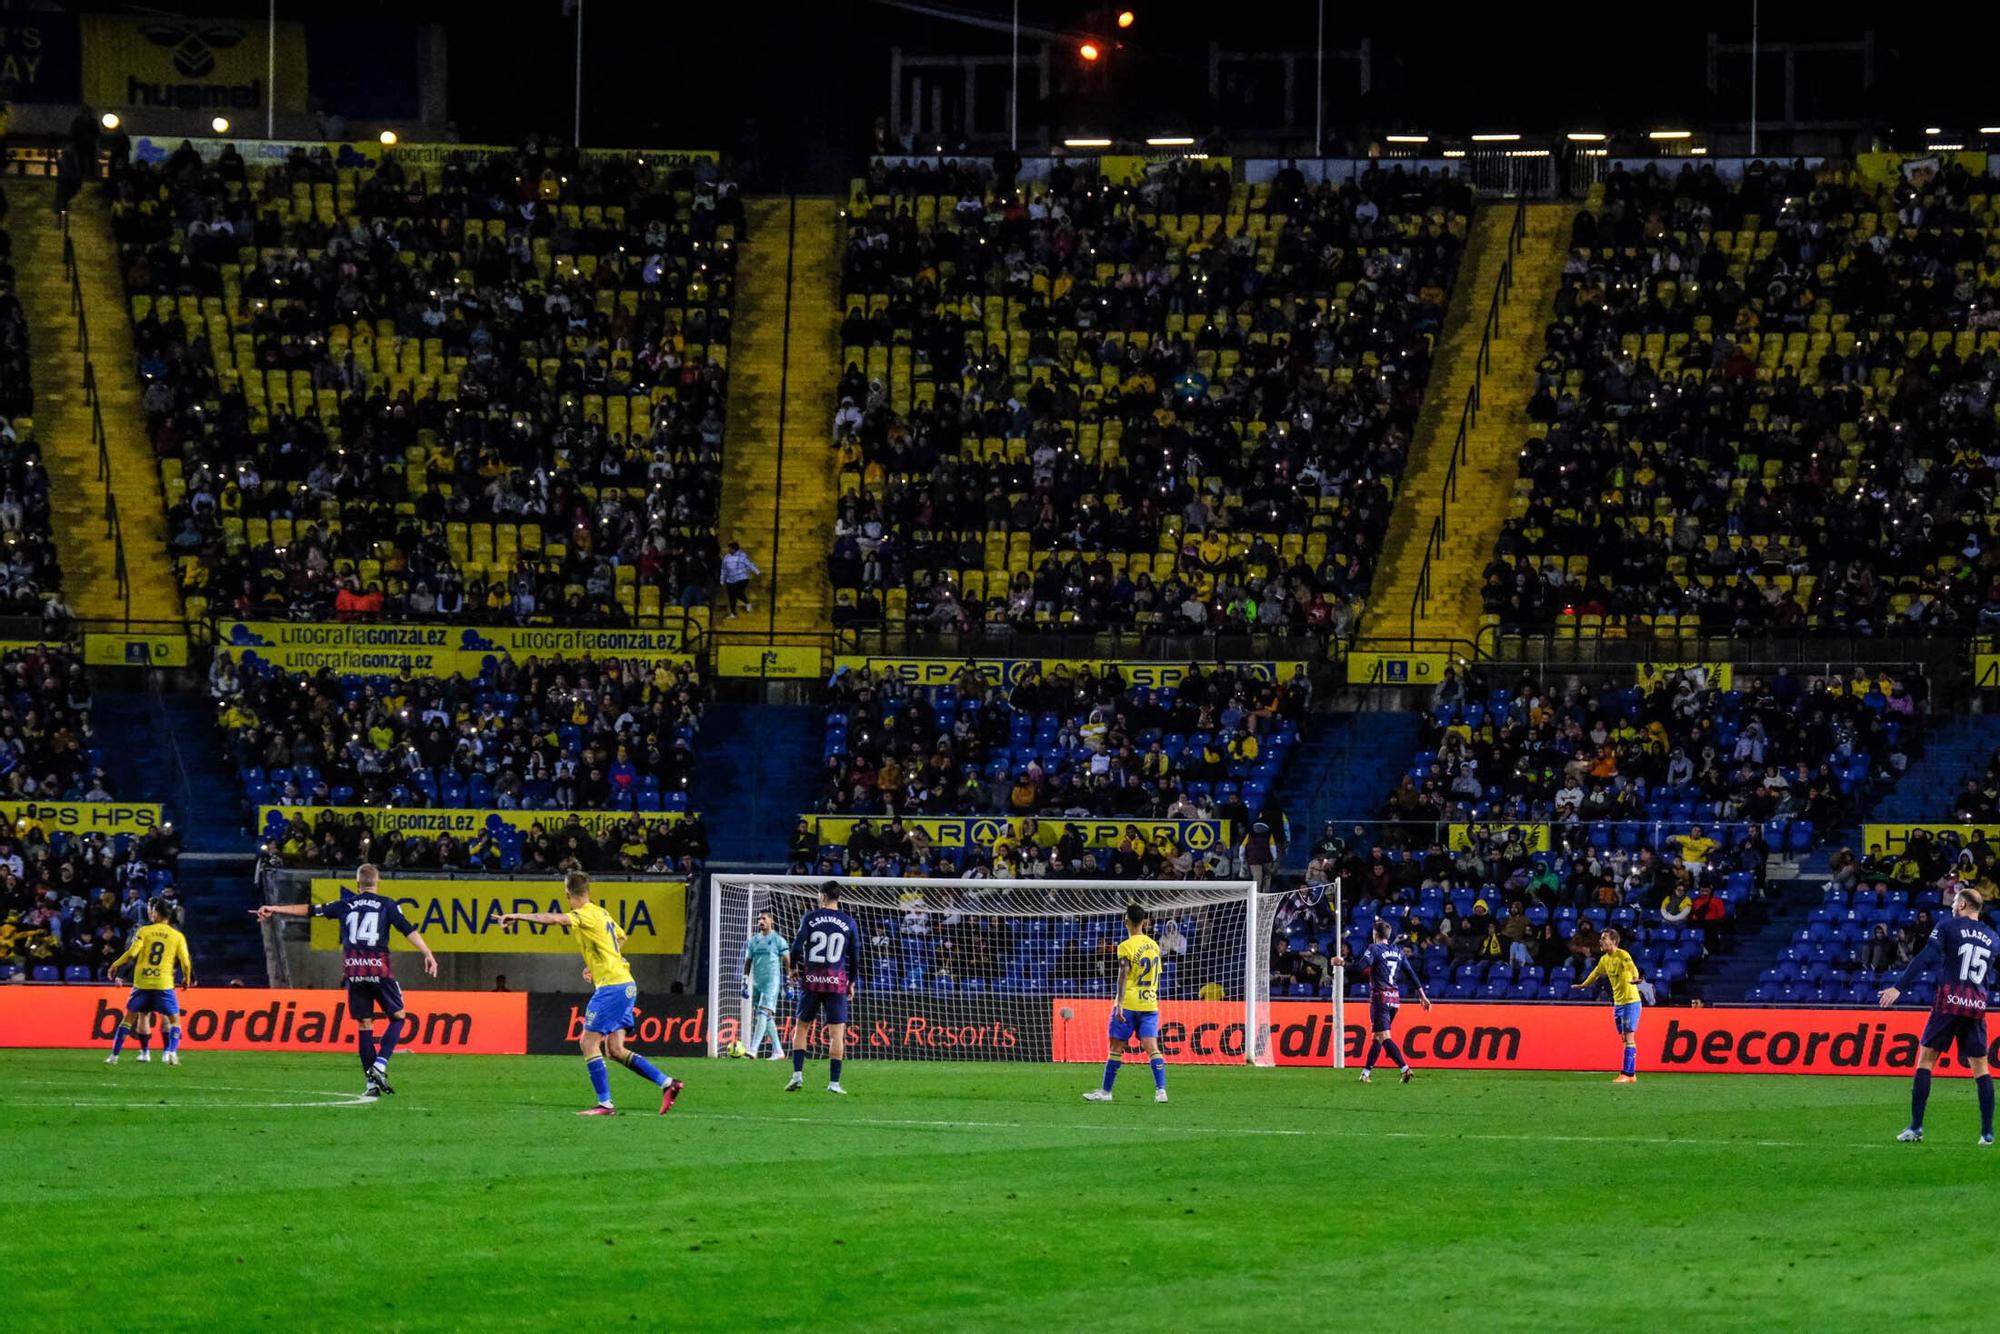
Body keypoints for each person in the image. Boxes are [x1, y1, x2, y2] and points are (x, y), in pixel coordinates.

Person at [495, 870, 683, 1116]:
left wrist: (517, 916)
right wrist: (597, 962)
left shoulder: (584, 915)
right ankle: (668, 1084)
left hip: (612, 987)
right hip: (626, 984)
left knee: (587, 1042)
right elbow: (621, 936)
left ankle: (605, 1104)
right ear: (589, 891)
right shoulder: (601, 912)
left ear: (567, 893)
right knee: (615, 1049)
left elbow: (554, 920)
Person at [255, 862, 438, 1097]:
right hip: (378, 969)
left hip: (354, 971)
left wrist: (275, 908)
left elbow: (311, 910)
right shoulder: (387, 905)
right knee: (398, 1017)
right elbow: (407, 930)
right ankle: (380, 1065)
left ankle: (371, 1086)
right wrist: (427, 953)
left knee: (364, 1025)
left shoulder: (345, 904)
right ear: (378, 882)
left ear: (357, 884)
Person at [1878, 887, 1998, 1145]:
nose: (1952, 906)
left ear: (1964, 905)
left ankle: (1916, 1127)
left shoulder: (1948, 927)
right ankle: (1987, 1133)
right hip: (1976, 1006)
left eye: (1955, 902)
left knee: (1926, 1061)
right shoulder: (1993, 937)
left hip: (1949, 1001)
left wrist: (1899, 987)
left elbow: (1925, 957)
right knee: (1981, 1068)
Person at [1084, 903, 1168, 1104]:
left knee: (1116, 1047)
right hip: (1149, 1004)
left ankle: (1106, 1092)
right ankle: (1161, 1091)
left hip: (1129, 1003)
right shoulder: (1154, 945)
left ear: (1126, 921)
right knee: (1152, 1047)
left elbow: (1123, 974)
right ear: (1144, 921)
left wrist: (1119, 1004)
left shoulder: (1125, 946)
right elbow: (1157, 974)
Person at [1331, 919, 1431, 1083]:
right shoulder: (1398, 951)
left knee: (1384, 1036)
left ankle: (1405, 1069)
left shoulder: (1374, 949)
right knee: (1378, 1037)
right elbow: (1411, 973)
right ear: (1388, 935)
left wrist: (1341, 963)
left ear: (1374, 934)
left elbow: (1359, 967)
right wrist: (1422, 996)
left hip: (1380, 999)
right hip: (1395, 1000)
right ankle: (1365, 1073)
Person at [787, 882, 861, 1093]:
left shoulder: (810, 918)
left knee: (802, 1026)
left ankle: (797, 1076)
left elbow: (797, 946)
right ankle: (834, 1083)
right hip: (836, 981)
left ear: (822, 896)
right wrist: (851, 981)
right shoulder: (848, 922)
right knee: (837, 1033)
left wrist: (793, 968)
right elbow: (855, 955)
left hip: (811, 979)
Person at [105, 898, 192, 1066]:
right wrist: (186, 979)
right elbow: (186, 961)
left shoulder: (144, 931)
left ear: (156, 913)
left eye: (152, 911)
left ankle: (114, 1056)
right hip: (164, 984)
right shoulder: (177, 936)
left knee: (128, 1019)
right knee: (174, 1020)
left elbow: (131, 953)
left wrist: (115, 964)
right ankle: (171, 1053)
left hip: (142, 983)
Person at [1572, 927, 1644, 1082]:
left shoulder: (1622, 955)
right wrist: (1583, 985)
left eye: (1604, 938)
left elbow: (1632, 968)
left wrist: (1636, 977)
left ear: (1614, 941)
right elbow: (1596, 973)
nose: (1601, 941)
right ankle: (1631, 1074)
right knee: (1625, 1038)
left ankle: (1626, 1074)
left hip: (1630, 1001)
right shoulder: (1605, 959)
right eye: (1601, 938)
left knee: (1629, 1037)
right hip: (1618, 1003)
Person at [741, 909, 791, 1060]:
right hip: (758, 982)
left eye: (763, 919)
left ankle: (753, 1049)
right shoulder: (753, 940)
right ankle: (778, 1051)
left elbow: (787, 960)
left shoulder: (778, 940)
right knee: (766, 1016)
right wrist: (744, 981)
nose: (760, 922)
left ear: (771, 920)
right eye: (758, 919)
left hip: (772, 982)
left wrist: (788, 982)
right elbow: (748, 961)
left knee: (763, 1012)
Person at [720, 540, 759, 618]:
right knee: (731, 596)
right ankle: (733, 613)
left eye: (730, 548)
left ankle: (747, 603)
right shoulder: (727, 557)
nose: (728, 550)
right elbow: (723, 569)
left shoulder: (742, 556)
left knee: (737, 592)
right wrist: (722, 579)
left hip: (742, 578)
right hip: (730, 579)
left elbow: (749, 564)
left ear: (734, 549)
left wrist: (756, 571)